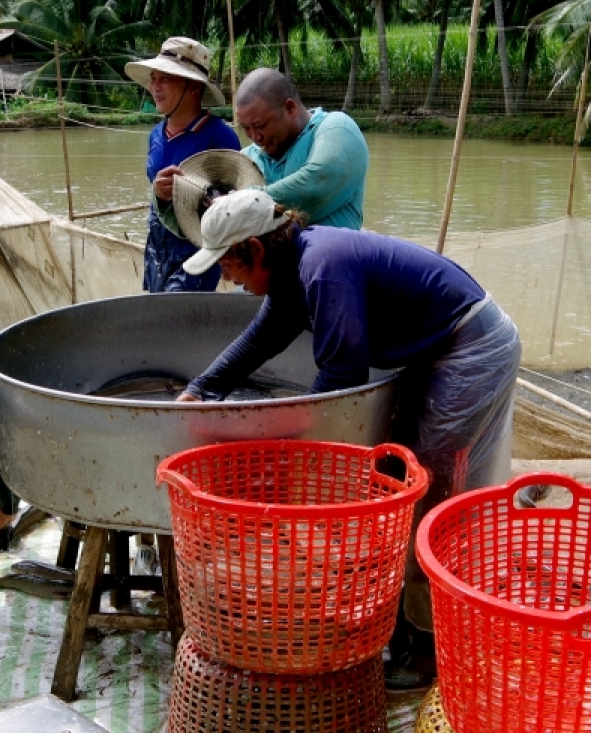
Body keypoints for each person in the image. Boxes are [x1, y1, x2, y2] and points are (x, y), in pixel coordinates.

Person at [175, 191, 521, 690]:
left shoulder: (323, 267)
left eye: (231, 265)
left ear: (253, 248)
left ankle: (428, 653)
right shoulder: (295, 263)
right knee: (397, 478)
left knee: (429, 494)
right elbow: (262, 338)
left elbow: (342, 372)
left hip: (470, 347)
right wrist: (200, 390)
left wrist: (285, 454)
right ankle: (402, 623)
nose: (229, 278)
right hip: (434, 348)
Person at [124, 37, 241, 292]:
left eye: (165, 78)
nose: (155, 86)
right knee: (158, 316)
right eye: (153, 79)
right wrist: (159, 192)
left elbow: (236, 203)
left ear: (193, 87)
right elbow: (154, 190)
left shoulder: (218, 136)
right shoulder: (156, 134)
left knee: (179, 318)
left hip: (198, 251)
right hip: (157, 247)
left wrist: (194, 194)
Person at [232, 68, 368, 230]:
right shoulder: (248, 157)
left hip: (330, 254)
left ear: (290, 108)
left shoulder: (337, 127)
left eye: (260, 126)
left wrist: (242, 201)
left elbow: (317, 183)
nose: (254, 137)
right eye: (246, 128)